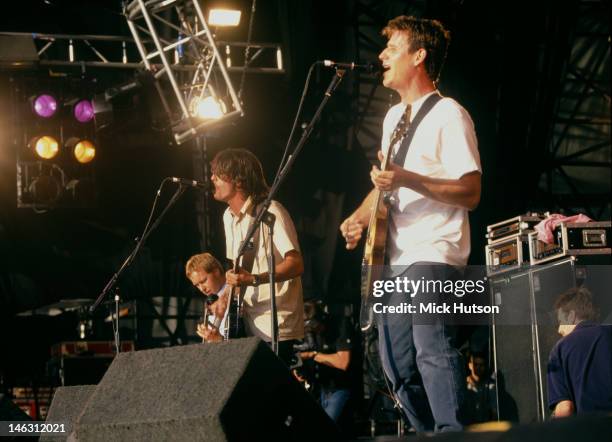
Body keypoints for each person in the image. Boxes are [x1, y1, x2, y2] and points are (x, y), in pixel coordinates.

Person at [339, 15, 481, 432]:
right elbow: (387, 182)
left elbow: (470, 192)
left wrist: (409, 179)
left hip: (434, 252)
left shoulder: (449, 114)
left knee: (432, 350)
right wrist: (360, 217)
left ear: (419, 56)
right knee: (397, 368)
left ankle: (455, 435)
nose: (381, 55)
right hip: (394, 259)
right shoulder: (392, 120)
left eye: (392, 49)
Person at [209, 148, 304, 365]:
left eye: (218, 173)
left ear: (239, 181)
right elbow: (237, 270)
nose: (212, 178)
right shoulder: (228, 217)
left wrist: (253, 279)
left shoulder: (272, 211)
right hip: (248, 320)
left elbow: (296, 264)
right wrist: (224, 299)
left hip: (275, 322)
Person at [547, 287, 612, 417]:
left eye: (561, 321)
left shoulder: (560, 349)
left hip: (591, 432)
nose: (559, 329)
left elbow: (565, 409)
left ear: (571, 316)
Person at [298, 300, 353, 422]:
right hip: (321, 387)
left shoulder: (340, 326)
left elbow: (343, 362)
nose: (314, 330)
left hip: (340, 388)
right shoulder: (313, 334)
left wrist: (313, 355)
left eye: (314, 326)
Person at [185, 252, 229, 343]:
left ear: (216, 271)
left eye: (204, 281)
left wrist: (220, 340)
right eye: (197, 285)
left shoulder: (238, 292)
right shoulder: (210, 302)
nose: (202, 289)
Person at [465, 351, 496, 423]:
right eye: (475, 364)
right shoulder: (464, 385)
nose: (478, 367)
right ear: (470, 365)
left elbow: (494, 412)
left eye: (481, 365)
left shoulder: (490, 385)